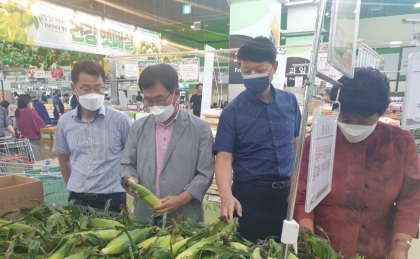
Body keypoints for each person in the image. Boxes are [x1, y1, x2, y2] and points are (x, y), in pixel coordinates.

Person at [295, 67, 420, 259]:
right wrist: (310, 243)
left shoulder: (400, 142)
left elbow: (410, 199)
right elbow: (301, 196)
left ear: (380, 113)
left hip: (376, 248)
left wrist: (401, 247)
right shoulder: (320, 141)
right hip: (324, 247)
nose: (354, 126)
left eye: (364, 122)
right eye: (346, 119)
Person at [213, 37, 301, 242]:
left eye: (260, 69)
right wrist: (226, 196)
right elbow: (224, 158)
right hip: (249, 197)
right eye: (246, 71)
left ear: (274, 67)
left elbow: (297, 146)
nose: (253, 75)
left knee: (287, 249)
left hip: (287, 194)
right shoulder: (232, 112)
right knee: (251, 249)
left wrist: (299, 186)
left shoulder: (290, 102)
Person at [121, 64, 214, 222]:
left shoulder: (200, 129)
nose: (154, 105)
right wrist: (129, 180)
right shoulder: (138, 127)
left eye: (159, 99)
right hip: (145, 215)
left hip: (184, 217)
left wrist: (182, 199)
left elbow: (205, 174)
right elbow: (127, 163)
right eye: (148, 100)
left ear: (176, 93)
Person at [53, 60, 132, 212]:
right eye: (85, 89)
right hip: (78, 199)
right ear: (73, 88)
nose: (93, 94)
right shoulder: (65, 122)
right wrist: (73, 188)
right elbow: (64, 159)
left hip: (113, 199)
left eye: (98, 88)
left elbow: (133, 158)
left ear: (105, 87)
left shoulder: (120, 121)